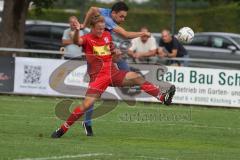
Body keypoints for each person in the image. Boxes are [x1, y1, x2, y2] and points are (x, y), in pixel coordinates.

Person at [51, 16, 175, 138]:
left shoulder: (107, 35)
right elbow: (77, 41)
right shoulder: (87, 38)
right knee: (86, 105)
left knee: (136, 76)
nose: (101, 31)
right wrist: (77, 30)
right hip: (98, 78)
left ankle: (163, 97)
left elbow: (112, 51)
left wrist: (116, 52)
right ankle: (62, 129)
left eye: (103, 28)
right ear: (92, 28)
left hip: (113, 73)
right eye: (99, 29)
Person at [76, 2, 151, 135]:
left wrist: (84, 25)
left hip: (106, 48)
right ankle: (87, 122)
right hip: (97, 54)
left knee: (124, 68)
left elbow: (92, 8)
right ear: (114, 13)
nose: (123, 19)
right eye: (121, 17)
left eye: (124, 17)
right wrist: (143, 33)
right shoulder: (108, 20)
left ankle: (117, 82)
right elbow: (126, 35)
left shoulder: (105, 11)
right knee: (94, 92)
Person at [62, 16, 94, 136]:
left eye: (75, 22)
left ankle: (86, 122)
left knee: (91, 96)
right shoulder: (70, 32)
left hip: (90, 64)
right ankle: (87, 122)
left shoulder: (88, 33)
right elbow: (71, 42)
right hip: (84, 64)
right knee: (91, 96)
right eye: (71, 22)